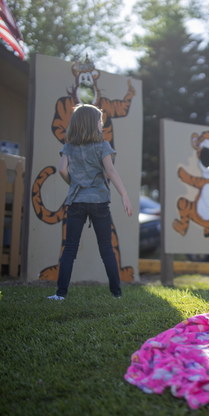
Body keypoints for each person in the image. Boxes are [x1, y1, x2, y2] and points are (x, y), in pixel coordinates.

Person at [47, 104, 133, 300]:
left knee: (70, 248)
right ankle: (116, 293)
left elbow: (62, 170)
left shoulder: (69, 146)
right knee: (106, 248)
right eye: (99, 121)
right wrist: (124, 194)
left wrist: (74, 183)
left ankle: (60, 294)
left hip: (76, 201)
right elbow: (110, 171)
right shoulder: (102, 146)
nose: (101, 124)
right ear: (94, 124)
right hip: (99, 201)